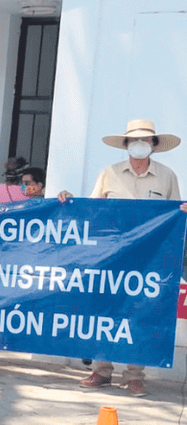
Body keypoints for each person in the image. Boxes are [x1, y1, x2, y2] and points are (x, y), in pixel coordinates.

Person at [59, 119, 186, 397]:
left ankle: (134, 376)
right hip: (111, 256)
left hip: (148, 258)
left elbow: (175, 214)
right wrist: (70, 202)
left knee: (139, 314)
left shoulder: (167, 176)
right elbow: (92, 209)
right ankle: (102, 371)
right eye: (134, 141)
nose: (139, 145)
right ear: (126, 145)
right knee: (106, 312)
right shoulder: (109, 173)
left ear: (153, 145)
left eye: (145, 140)